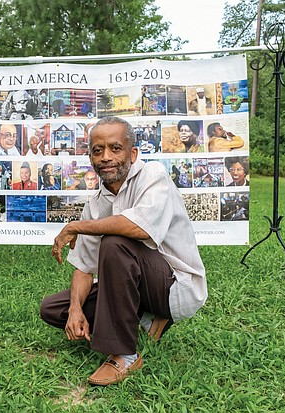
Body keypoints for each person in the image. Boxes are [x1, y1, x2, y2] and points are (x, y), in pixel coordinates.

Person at [42, 116, 206, 386]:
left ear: (132, 153)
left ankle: (125, 354)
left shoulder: (153, 176)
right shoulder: (96, 203)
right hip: (139, 286)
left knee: (115, 243)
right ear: (91, 159)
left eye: (115, 148)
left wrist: (77, 226)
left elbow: (140, 228)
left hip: (175, 287)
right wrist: (74, 309)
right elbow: (84, 267)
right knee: (54, 308)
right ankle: (146, 320)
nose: (106, 157)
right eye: (97, 151)